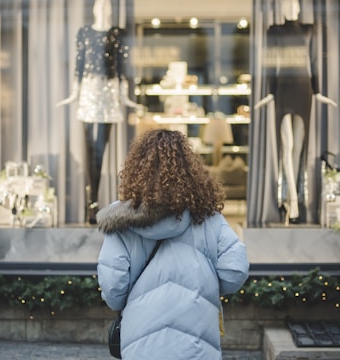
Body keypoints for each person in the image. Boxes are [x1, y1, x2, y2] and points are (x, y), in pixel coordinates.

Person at [97, 129, 249, 360]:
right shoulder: (208, 217)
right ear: (190, 169)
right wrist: (203, 288)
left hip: (143, 339)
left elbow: (113, 286)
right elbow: (234, 270)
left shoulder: (121, 222)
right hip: (197, 338)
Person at [57, 0, 140, 224]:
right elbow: (79, 63)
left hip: (109, 91)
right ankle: (91, 202)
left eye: (107, 5)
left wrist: (126, 97)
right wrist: (74, 94)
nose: (103, 8)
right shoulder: (84, 33)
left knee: (100, 148)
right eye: (99, 5)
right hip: (89, 90)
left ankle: (93, 203)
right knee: (89, 149)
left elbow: (122, 66)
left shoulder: (118, 34)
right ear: (93, 9)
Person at [255, 0, 336, 224]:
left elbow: (313, 63)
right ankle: (292, 200)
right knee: (286, 146)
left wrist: (317, 91)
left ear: (300, 8)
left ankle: (294, 203)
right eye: (285, 4)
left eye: (293, 4)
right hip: (282, 89)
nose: (290, 8)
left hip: (303, 90)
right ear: (280, 8)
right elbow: (271, 64)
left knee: (298, 149)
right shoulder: (274, 31)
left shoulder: (310, 30)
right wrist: (270, 92)